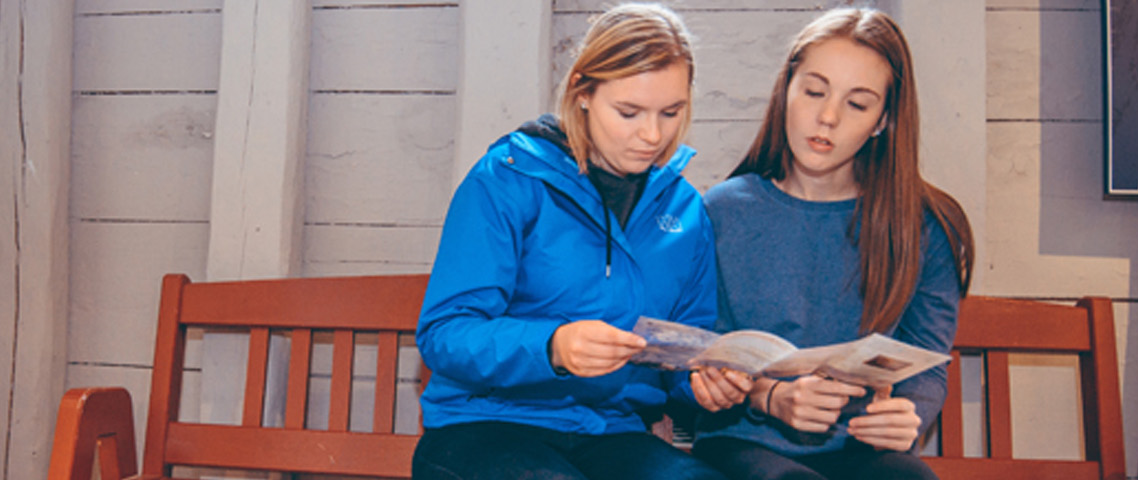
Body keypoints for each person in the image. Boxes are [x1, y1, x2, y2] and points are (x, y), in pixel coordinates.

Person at [410, 4, 748, 480]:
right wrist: (552, 345)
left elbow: (681, 355)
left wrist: (705, 383)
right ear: (582, 92)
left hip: (612, 433)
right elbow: (444, 333)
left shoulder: (686, 211)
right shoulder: (508, 179)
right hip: (485, 427)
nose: (652, 135)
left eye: (671, 112)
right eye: (628, 112)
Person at [690, 7, 976, 480]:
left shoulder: (925, 225)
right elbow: (704, 357)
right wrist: (770, 398)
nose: (826, 117)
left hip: (860, 447)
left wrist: (908, 416)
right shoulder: (721, 211)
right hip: (742, 441)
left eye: (857, 104)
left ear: (883, 120)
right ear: (786, 92)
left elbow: (927, 359)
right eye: (814, 91)